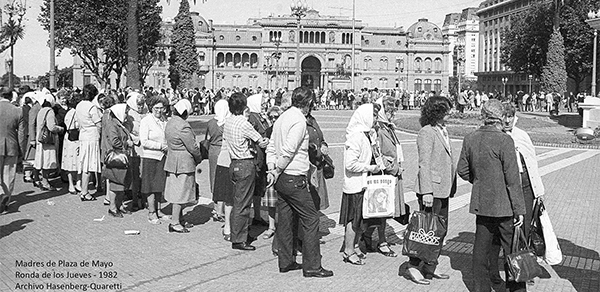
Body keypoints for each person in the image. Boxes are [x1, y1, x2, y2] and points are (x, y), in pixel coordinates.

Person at [457, 99, 526, 292]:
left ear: (483, 116)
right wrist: (519, 209)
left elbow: (462, 169)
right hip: (504, 205)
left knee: (481, 250)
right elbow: (513, 179)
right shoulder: (505, 140)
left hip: (482, 203)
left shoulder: (470, 138)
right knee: (512, 251)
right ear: (500, 117)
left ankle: (481, 288)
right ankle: (516, 289)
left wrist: (479, 181)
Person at [266, 87, 334, 278]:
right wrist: (278, 169)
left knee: (286, 220)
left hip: (281, 178)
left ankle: (285, 261)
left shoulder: (282, 117)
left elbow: (272, 146)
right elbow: (288, 150)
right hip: (293, 176)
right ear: (309, 102)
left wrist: (272, 169)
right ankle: (312, 266)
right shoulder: (298, 121)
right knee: (311, 219)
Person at [486, 102, 546, 284]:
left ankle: (522, 269)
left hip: (525, 188)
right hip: (503, 190)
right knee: (500, 231)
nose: (507, 120)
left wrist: (539, 190)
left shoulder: (522, 136)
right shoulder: (496, 136)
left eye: (510, 116)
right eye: (504, 116)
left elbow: (532, 163)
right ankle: (494, 269)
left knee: (523, 230)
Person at [403, 95, 456, 285]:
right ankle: (413, 265)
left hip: (443, 189)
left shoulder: (442, 130)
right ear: (437, 112)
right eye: (447, 110)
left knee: (439, 230)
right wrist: (426, 191)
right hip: (431, 190)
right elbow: (423, 164)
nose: (451, 112)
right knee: (424, 230)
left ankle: (430, 265)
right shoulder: (427, 132)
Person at [223, 92, 268, 250]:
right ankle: (239, 239)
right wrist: (268, 140)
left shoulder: (228, 122)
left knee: (238, 201)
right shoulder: (244, 123)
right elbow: (260, 141)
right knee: (243, 203)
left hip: (234, 163)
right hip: (245, 164)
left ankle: (239, 232)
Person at [362, 96, 406, 258]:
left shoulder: (388, 128)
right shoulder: (379, 130)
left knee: (384, 211)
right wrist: (395, 168)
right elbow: (379, 155)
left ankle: (367, 236)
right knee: (381, 210)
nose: (393, 115)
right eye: (390, 112)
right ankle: (381, 241)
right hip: (385, 175)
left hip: (392, 174)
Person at [339, 103, 382, 266]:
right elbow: (350, 164)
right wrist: (369, 167)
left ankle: (355, 245)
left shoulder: (365, 134)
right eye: (374, 116)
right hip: (354, 185)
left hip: (362, 184)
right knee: (352, 219)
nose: (376, 119)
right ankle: (348, 250)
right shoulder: (356, 137)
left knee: (359, 219)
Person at [164, 99, 202, 233]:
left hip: (172, 159)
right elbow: (192, 146)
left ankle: (178, 219)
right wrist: (199, 157)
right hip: (184, 162)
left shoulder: (170, 122)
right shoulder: (183, 126)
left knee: (176, 190)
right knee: (181, 193)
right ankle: (175, 222)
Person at [139, 95, 169, 224]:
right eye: (156, 108)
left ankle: (159, 209)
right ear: (151, 108)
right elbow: (144, 141)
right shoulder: (146, 121)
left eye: (162, 108)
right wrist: (160, 146)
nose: (159, 110)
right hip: (151, 157)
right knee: (150, 186)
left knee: (160, 184)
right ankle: (152, 212)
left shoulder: (164, 120)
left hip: (162, 157)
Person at [102, 104, 133, 218]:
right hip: (117, 157)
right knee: (116, 183)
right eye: (125, 112)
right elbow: (114, 141)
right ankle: (112, 207)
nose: (127, 115)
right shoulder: (112, 125)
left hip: (121, 156)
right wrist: (126, 144)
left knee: (122, 182)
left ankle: (119, 205)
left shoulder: (120, 123)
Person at [247, 92, 271, 229]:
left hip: (262, 156)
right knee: (252, 187)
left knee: (258, 188)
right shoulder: (251, 118)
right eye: (262, 103)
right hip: (256, 157)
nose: (264, 105)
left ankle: (256, 215)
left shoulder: (261, 116)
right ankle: (250, 216)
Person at [0, 87, 25, 213]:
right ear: (11, 97)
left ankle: (0, 194)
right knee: (8, 176)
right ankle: (5, 202)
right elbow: (21, 135)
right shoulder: (18, 111)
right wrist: (22, 151)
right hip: (12, 146)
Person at [76, 84, 102, 201]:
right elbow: (98, 124)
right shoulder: (92, 107)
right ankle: (85, 192)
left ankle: (83, 189)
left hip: (83, 135)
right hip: (92, 136)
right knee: (88, 165)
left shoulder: (79, 105)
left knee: (84, 164)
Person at [34, 93, 64, 191]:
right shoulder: (50, 111)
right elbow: (51, 127)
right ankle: (45, 181)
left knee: (42, 160)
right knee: (47, 160)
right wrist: (60, 129)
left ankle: (42, 179)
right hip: (48, 140)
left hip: (41, 138)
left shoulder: (41, 110)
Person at [206, 98, 229, 222]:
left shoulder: (210, 122)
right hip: (224, 150)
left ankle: (215, 207)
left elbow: (208, 137)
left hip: (213, 150)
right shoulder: (227, 122)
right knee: (224, 179)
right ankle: (223, 207)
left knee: (213, 177)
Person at [125, 92, 145, 210]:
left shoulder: (145, 113)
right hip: (135, 147)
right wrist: (137, 139)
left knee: (143, 174)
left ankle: (143, 198)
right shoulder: (129, 116)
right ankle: (135, 200)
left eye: (142, 104)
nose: (141, 107)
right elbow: (127, 132)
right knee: (135, 175)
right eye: (139, 104)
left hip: (144, 148)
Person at [61, 92, 82, 194]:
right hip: (75, 137)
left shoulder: (69, 113)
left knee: (71, 161)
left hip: (69, 137)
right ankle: (76, 182)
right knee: (77, 160)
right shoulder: (76, 113)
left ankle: (73, 184)